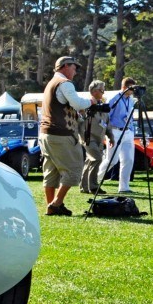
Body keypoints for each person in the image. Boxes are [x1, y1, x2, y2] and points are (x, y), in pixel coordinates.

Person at [39, 56, 95, 216]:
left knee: (51, 173)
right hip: (61, 135)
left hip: (45, 134)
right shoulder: (65, 84)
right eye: (74, 67)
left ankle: (51, 207)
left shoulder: (51, 83)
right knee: (75, 169)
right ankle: (56, 203)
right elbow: (77, 103)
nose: (75, 71)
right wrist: (92, 101)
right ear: (64, 66)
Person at [96, 77, 137, 194]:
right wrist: (107, 133)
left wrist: (131, 129)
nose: (133, 91)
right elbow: (106, 116)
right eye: (131, 89)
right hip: (115, 131)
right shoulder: (114, 98)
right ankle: (94, 180)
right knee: (112, 160)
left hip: (128, 131)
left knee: (128, 160)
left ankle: (124, 187)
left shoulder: (131, 99)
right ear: (124, 87)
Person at [80, 80, 113, 194]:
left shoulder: (102, 106)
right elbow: (79, 120)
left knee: (90, 160)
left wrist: (111, 137)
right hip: (88, 137)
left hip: (99, 138)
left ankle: (84, 186)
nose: (103, 92)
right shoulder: (85, 103)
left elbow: (107, 123)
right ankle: (93, 186)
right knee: (97, 158)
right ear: (94, 91)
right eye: (101, 89)